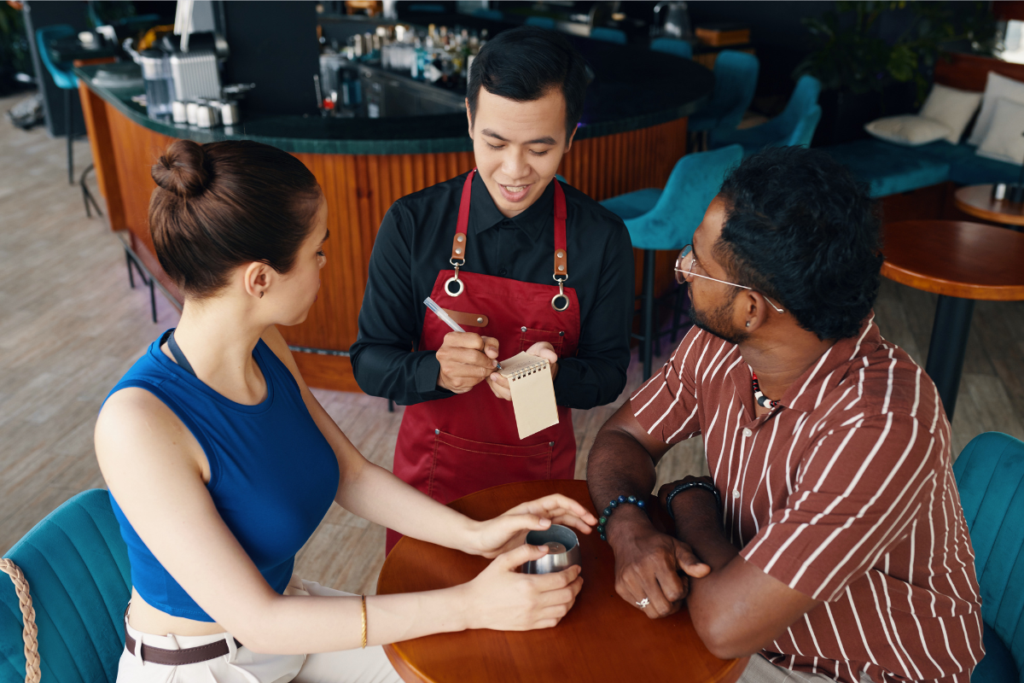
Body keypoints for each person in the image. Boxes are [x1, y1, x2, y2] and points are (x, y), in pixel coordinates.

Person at [96, 139, 594, 683]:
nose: (325, 264)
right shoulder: (136, 425)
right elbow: (260, 621)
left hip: (287, 626)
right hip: (206, 666)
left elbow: (351, 475)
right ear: (259, 280)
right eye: (317, 251)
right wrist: (470, 603)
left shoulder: (266, 346)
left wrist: (476, 534)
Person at [586, 147, 983, 683]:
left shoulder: (883, 424)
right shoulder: (723, 346)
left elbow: (726, 624)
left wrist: (690, 500)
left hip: (860, 669)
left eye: (698, 262)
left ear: (752, 309)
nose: (682, 268)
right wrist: (629, 523)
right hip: (745, 626)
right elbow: (623, 436)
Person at [350, 26, 634, 552]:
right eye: (495, 142)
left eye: (540, 149)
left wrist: (555, 377)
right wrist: (434, 369)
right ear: (469, 120)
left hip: (538, 484)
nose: (514, 171)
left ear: (572, 137)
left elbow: (608, 375)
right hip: (431, 488)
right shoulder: (413, 223)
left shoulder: (601, 238)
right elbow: (369, 361)